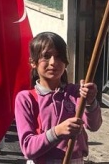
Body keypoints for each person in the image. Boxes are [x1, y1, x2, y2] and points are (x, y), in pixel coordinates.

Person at [14, 32, 102, 164]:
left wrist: (90, 101)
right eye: (46, 56)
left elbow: (93, 125)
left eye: (59, 57)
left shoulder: (75, 92)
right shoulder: (26, 99)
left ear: (66, 62)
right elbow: (28, 148)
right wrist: (57, 131)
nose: (53, 62)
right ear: (33, 62)